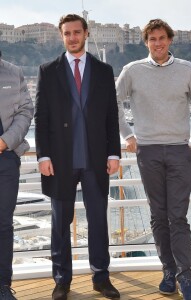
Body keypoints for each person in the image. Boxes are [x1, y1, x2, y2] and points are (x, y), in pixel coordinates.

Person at [116, 19, 191, 300]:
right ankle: (168, 272)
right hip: (148, 151)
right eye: (152, 39)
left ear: (170, 40)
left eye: (162, 38)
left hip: (180, 151)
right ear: (146, 42)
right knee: (158, 216)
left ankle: (186, 278)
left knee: (178, 217)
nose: (157, 43)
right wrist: (128, 135)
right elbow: (113, 103)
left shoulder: (187, 69)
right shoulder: (132, 71)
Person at [34, 14, 121, 300]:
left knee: (98, 221)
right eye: (67, 33)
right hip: (60, 160)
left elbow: (111, 116)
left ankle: (101, 277)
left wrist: (113, 153)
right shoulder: (48, 71)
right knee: (60, 224)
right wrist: (43, 155)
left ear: (86, 33)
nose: (72, 37)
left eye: (76, 32)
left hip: (96, 160)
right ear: (62, 36)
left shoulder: (104, 70)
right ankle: (61, 280)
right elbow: (41, 117)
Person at [0, 50, 33, 299]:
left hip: (6, 158)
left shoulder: (14, 72)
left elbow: (25, 111)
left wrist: (4, 142)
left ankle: (2, 285)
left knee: (3, 224)